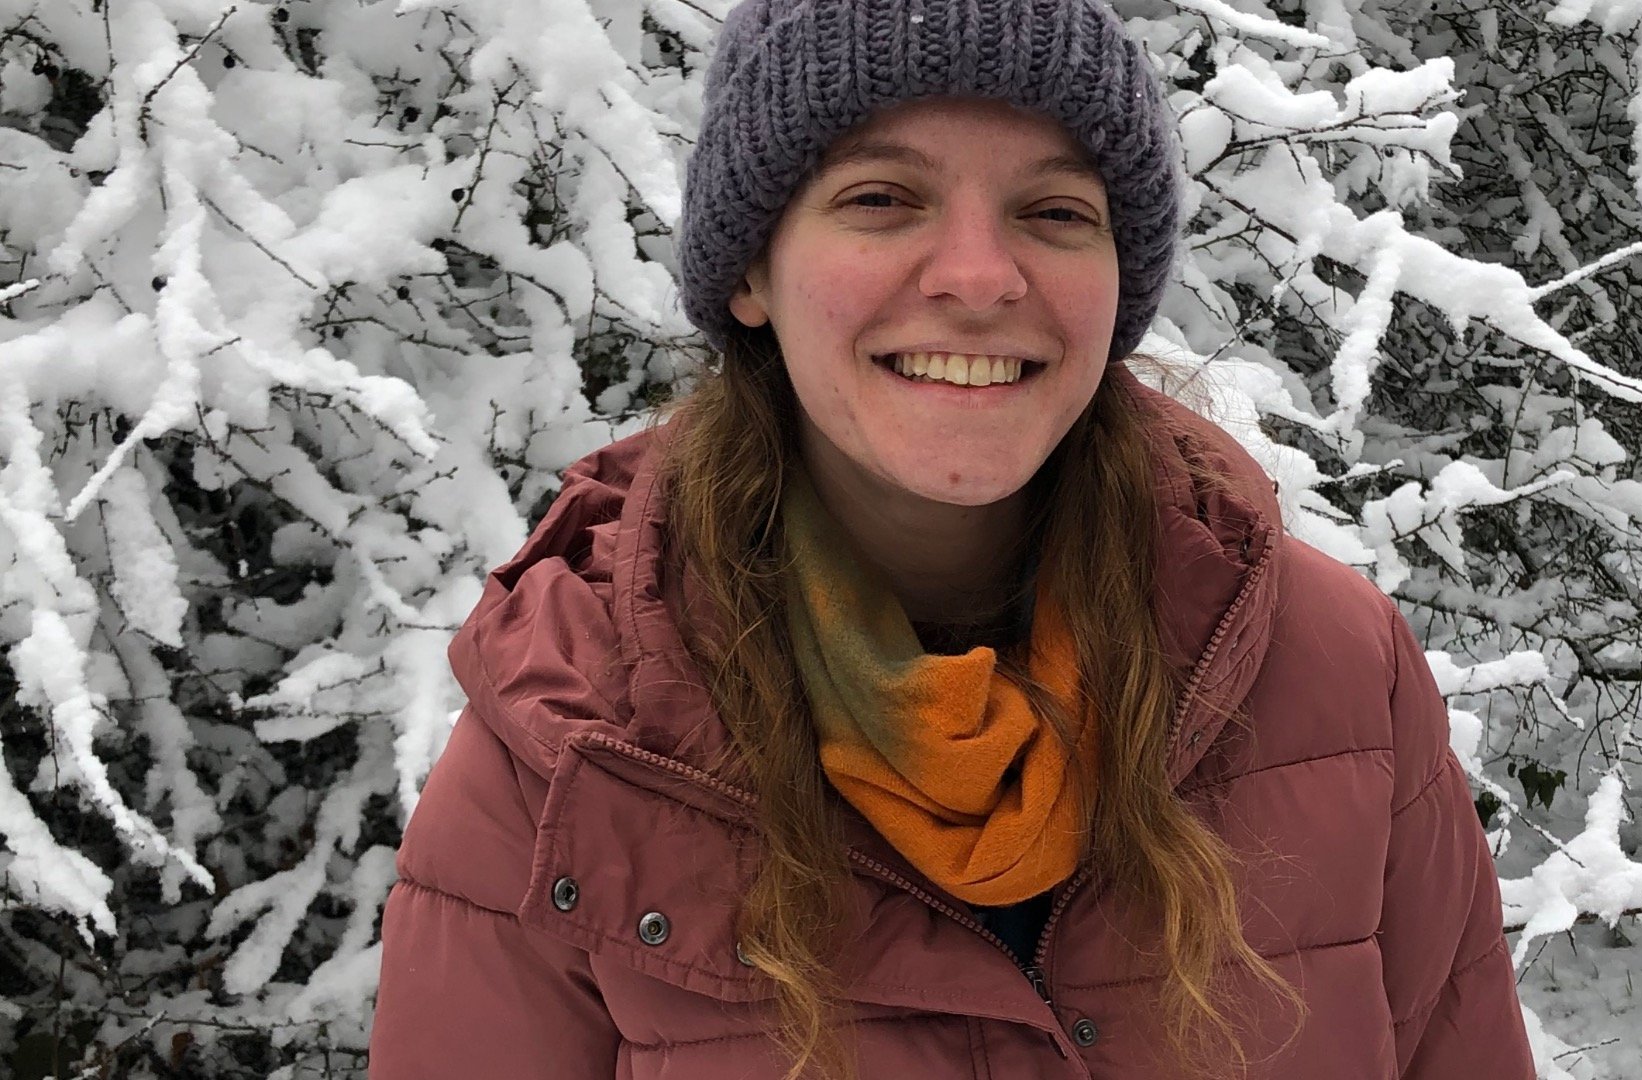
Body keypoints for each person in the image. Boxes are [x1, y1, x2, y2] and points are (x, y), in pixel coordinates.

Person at [367, 1, 1535, 1077]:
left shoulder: (1336, 673)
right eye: (881, 198)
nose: (981, 278)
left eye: (1054, 212)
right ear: (754, 275)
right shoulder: (570, 754)